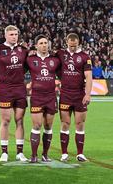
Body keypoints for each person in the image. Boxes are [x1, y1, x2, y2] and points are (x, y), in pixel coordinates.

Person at [0, 25, 29, 162]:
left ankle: (20, 152)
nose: (14, 37)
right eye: (11, 34)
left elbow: (28, 65)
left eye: (16, 34)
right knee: (6, 120)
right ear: (6, 35)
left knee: (19, 120)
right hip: (5, 88)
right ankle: (4, 152)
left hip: (20, 88)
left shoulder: (23, 50)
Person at [57, 33, 93, 162]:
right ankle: (64, 153)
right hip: (65, 94)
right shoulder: (60, 54)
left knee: (80, 123)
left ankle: (80, 153)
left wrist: (88, 94)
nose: (72, 47)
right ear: (66, 42)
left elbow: (89, 76)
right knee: (65, 123)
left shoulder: (84, 56)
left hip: (79, 95)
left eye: (75, 45)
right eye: (70, 45)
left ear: (78, 43)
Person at [26, 35, 60, 163]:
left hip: (51, 96)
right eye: (41, 43)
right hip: (37, 96)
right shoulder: (30, 59)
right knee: (36, 125)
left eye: (46, 43)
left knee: (48, 126)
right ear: (36, 45)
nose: (44, 45)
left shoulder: (55, 60)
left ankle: (45, 154)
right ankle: (34, 155)